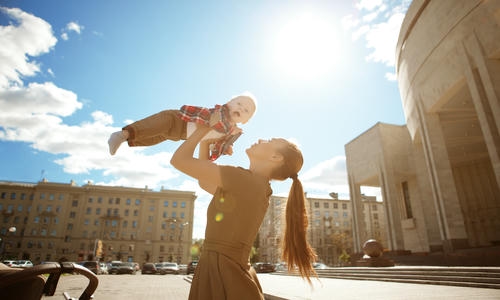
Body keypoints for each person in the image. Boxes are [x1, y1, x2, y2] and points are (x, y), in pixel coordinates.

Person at [170, 125, 317, 300]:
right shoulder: (256, 185)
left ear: (275, 157)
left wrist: (203, 129)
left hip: (222, 272)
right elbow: (204, 181)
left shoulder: (243, 180)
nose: (262, 140)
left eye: (269, 141)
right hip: (227, 270)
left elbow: (179, 160)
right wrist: (206, 142)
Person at [107, 93, 256, 156]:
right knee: (153, 126)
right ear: (229, 103)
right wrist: (230, 133)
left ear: (245, 121)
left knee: (154, 137)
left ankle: (127, 139)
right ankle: (122, 135)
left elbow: (211, 144)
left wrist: (225, 148)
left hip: (179, 134)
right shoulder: (221, 112)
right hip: (177, 119)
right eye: (239, 103)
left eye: (245, 111)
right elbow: (215, 124)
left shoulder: (228, 133)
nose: (241, 108)